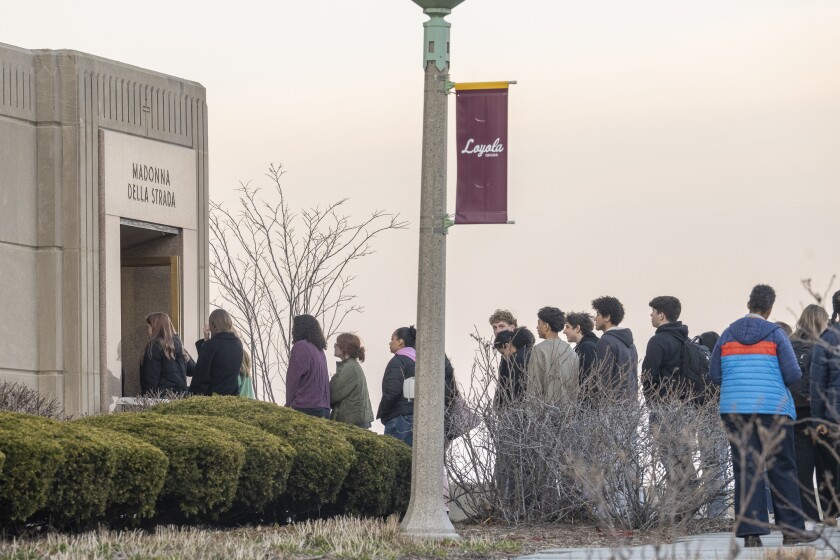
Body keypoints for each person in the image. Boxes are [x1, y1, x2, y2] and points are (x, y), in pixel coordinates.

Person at [710, 284, 817, 547]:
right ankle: (792, 531)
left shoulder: (727, 334)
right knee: (782, 466)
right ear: (769, 309)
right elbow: (793, 375)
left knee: (747, 468)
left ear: (749, 304)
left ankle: (751, 534)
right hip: (774, 410)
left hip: (736, 411)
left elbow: (714, 375)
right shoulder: (776, 334)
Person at [788, 304, 830, 523]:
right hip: (819, 412)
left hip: (795, 411)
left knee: (802, 468)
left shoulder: (788, 343)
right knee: (826, 465)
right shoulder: (824, 346)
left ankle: (809, 516)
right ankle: (831, 515)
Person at [810, 291, 840, 524]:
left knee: (833, 465)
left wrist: (817, 419)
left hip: (833, 414)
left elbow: (817, 384)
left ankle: (832, 514)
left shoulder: (826, 339)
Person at [527, 307, 579, 403]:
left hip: (546, 412)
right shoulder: (570, 350)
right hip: (569, 411)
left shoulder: (539, 350)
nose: (537, 327)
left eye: (539, 323)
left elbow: (534, 386)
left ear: (546, 326)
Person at [592, 296, 639, 399]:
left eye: (598, 314)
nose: (595, 318)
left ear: (607, 317)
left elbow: (603, 381)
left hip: (613, 409)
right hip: (631, 406)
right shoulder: (631, 344)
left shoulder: (606, 341)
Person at [377, 326, 417, 445]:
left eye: (392, 339)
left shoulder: (398, 361)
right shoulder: (418, 362)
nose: (390, 342)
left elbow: (392, 391)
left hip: (399, 419)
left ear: (400, 341)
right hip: (416, 418)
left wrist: (383, 413)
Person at [285, 314, 331, 418]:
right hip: (324, 408)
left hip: (306, 406)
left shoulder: (300, 347)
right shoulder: (320, 350)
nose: (292, 331)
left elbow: (293, 379)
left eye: (294, 327)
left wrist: (288, 404)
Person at [190, 308, 243, 396]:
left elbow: (201, 375)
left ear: (212, 325)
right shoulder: (237, 343)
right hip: (231, 397)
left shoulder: (211, 345)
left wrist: (192, 396)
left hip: (212, 398)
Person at [139, 312, 192, 395]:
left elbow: (150, 380)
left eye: (148, 327)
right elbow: (193, 369)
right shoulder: (179, 345)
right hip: (180, 399)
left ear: (155, 327)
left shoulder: (154, 346)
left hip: (161, 400)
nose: (147, 330)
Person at [330, 333, 374, 428]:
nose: (334, 346)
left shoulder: (350, 368)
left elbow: (332, 394)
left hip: (353, 422)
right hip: (356, 420)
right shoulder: (351, 366)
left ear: (345, 347)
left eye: (337, 343)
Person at [493, 326, 535, 405]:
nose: (504, 357)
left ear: (507, 345)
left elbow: (513, 388)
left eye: (503, 353)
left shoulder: (515, 360)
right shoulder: (533, 353)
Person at [563, 312, 599, 389]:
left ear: (577, 328)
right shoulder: (590, 344)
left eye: (567, 327)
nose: (564, 331)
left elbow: (587, 378)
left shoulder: (586, 347)